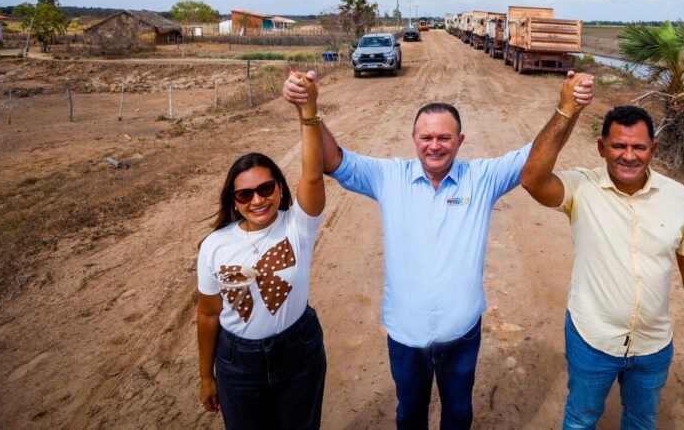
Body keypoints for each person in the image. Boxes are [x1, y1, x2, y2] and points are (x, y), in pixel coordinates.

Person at [283, 71, 593, 430]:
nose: (435, 145)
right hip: (405, 332)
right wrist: (308, 109)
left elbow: (537, 154)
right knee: (409, 414)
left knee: (458, 414)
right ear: (413, 139)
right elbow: (333, 160)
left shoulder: (483, 178)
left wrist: (569, 107)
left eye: (444, 137)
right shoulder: (388, 177)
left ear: (460, 141)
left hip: (460, 333)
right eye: (426, 137)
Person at [520, 75, 684, 430]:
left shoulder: (677, 196)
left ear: (653, 150)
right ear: (601, 147)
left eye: (639, 147)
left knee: (642, 421)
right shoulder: (581, 188)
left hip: (653, 346)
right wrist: (568, 109)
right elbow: (533, 179)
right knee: (581, 419)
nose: (629, 156)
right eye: (618, 147)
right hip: (591, 338)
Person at [197, 70, 327, 429]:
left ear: (279, 190)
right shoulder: (214, 246)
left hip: (298, 352)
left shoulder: (298, 225)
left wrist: (308, 108)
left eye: (266, 189)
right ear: (234, 201)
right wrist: (207, 376)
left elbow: (313, 174)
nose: (257, 200)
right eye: (245, 194)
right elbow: (208, 315)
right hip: (238, 362)